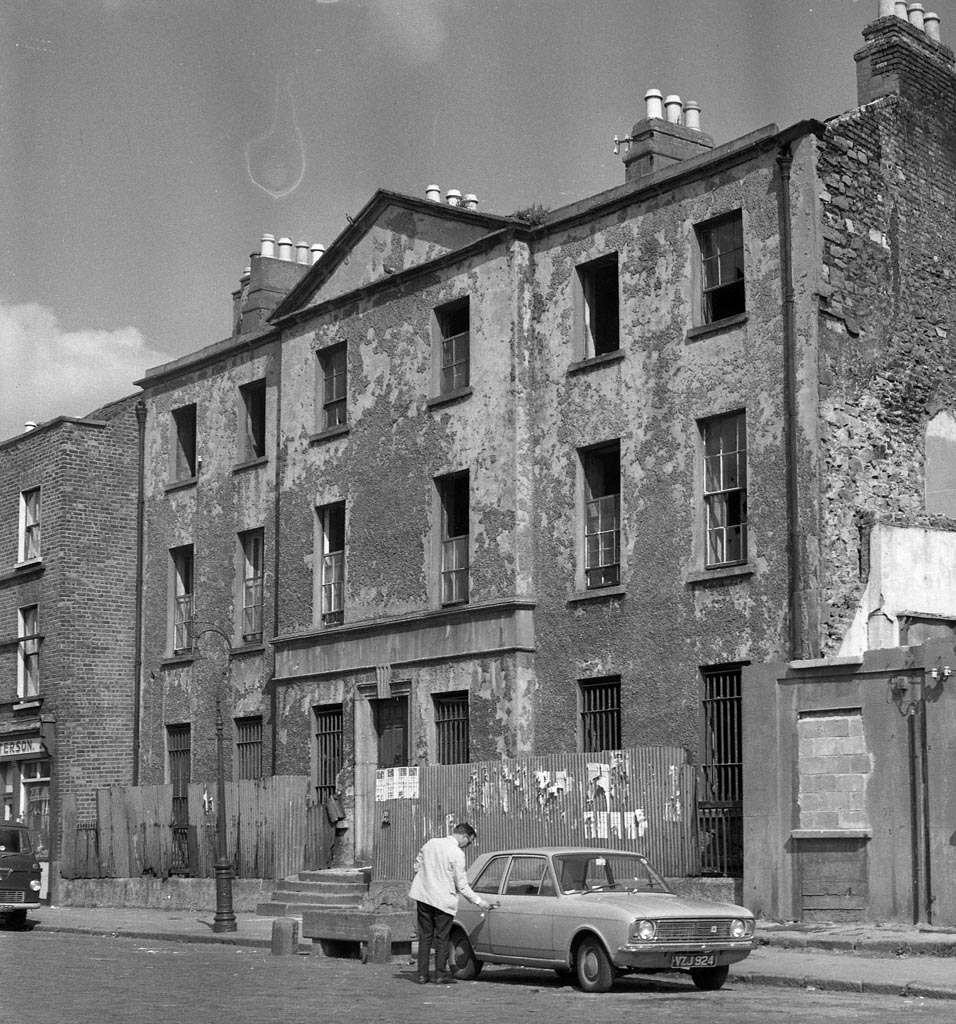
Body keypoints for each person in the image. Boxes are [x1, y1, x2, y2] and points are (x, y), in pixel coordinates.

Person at [408, 822, 496, 985]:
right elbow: (462, 885)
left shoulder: (431, 843)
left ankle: (422, 975)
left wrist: (426, 878)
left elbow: (417, 865)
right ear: (464, 836)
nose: (467, 846)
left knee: (425, 937)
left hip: (423, 896)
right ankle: (440, 974)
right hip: (443, 900)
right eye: (469, 842)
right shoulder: (456, 853)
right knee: (442, 938)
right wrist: (479, 901)